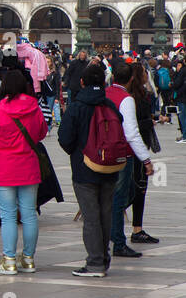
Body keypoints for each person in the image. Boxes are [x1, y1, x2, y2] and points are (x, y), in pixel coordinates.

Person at [59, 62, 154, 278]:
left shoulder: (76, 107)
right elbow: (123, 132)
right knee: (106, 213)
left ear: (82, 82)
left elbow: (64, 138)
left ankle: (94, 264)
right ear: (103, 82)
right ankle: (103, 259)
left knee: (91, 217)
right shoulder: (110, 105)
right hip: (111, 167)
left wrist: (78, 152)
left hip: (84, 169)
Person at [0, 70, 46, 275]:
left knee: (8, 217)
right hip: (29, 168)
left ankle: (9, 260)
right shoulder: (35, 109)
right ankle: (28, 259)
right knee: (29, 215)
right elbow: (41, 133)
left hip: (3, 168)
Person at [105, 61, 156, 260]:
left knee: (119, 195)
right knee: (119, 198)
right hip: (121, 154)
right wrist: (146, 159)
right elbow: (132, 133)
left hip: (103, 154)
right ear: (132, 78)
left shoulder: (106, 93)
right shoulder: (126, 99)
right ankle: (118, 242)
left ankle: (111, 229)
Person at [125, 60, 160, 244]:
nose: (148, 75)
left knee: (136, 188)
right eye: (145, 72)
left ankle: (136, 228)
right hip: (136, 148)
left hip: (136, 146)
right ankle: (136, 229)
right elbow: (136, 125)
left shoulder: (133, 96)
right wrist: (151, 122)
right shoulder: (137, 98)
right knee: (138, 188)